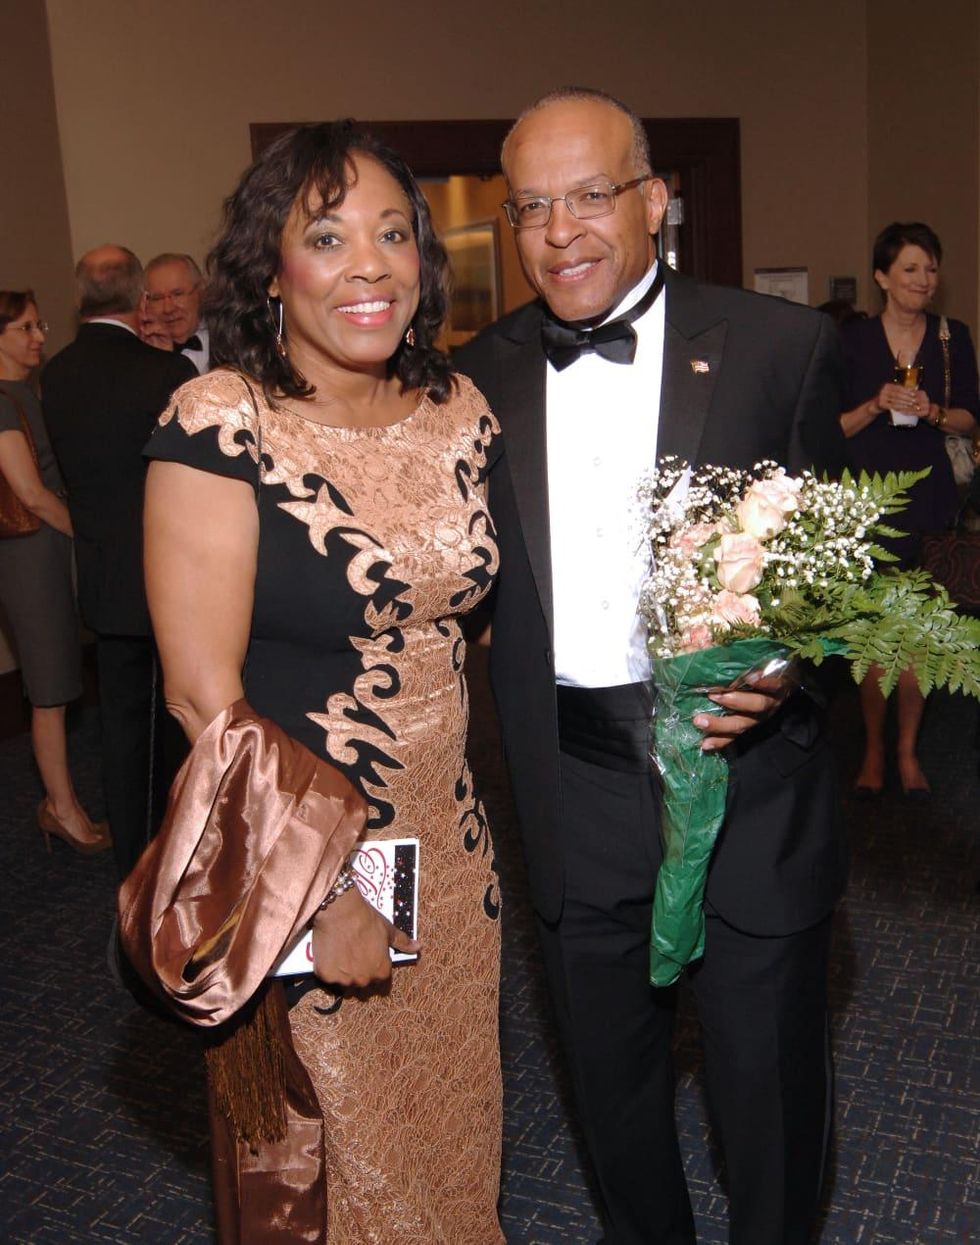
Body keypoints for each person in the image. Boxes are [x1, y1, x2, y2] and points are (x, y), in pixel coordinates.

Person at [456, 88, 847, 1245]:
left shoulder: (780, 348)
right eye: (530, 206)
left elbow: (842, 571)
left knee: (764, 1086)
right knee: (609, 1088)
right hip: (573, 787)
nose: (559, 231)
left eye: (588, 196)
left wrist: (788, 668)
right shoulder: (475, 378)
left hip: (748, 777)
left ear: (653, 202)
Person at [131, 122, 503, 1242]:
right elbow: (202, 697)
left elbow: (479, 628)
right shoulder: (220, 423)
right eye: (327, 236)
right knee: (332, 1166)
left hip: (455, 859)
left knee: (451, 1137)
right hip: (308, 865)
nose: (368, 264)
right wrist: (326, 892)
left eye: (393, 234)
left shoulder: (461, 412)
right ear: (272, 268)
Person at [42, 247, 196, 878]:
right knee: (178, 727)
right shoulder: (165, 372)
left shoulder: (55, 374)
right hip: (169, 577)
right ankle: (178, 855)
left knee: (121, 729)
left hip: (103, 577)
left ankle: (133, 857)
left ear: (81, 299)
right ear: (138, 299)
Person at [839, 222, 979, 799]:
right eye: (910, 269)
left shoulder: (953, 337)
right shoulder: (852, 342)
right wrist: (876, 404)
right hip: (869, 504)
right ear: (882, 278)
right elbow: (833, 427)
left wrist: (934, 411)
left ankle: (907, 750)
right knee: (875, 641)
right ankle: (873, 748)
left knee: (917, 639)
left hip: (931, 504)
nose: (924, 280)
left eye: (931, 269)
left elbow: (971, 419)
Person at [0, 291, 107, 854]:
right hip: (29, 555)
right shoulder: (1, 399)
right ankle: (61, 810)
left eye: (39, 323)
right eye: (24, 327)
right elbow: (32, 496)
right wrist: (88, 538)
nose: (39, 335)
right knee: (49, 688)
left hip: (45, 550)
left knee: (60, 680)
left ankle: (61, 803)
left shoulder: (24, 393)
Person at [144, 253, 210, 371]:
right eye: (157, 298)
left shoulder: (228, 341)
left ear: (201, 292)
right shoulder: (139, 355)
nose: (168, 309)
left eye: (177, 294)